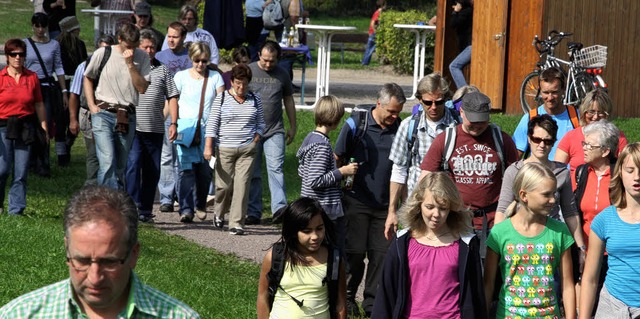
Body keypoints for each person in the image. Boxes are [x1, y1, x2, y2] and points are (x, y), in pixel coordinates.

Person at [0, 185, 201, 318]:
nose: (95, 278)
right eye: (82, 261)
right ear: (67, 248)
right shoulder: (21, 314)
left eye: (109, 262)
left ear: (134, 254)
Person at [334, 83, 405, 317]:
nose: (395, 117)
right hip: (356, 201)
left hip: (386, 206)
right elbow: (337, 156)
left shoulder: (401, 128)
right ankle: (347, 298)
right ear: (379, 104)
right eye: (391, 112)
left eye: (398, 112)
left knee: (380, 256)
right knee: (354, 253)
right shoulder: (356, 124)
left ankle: (373, 303)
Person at [419, 91, 519, 258]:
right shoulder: (446, 139)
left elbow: (517, 179)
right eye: (473, 121)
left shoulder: (502, 140)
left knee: (488, 275)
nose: (477, 125)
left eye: (482, 121)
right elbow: (425, 179)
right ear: (462, 113)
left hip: (494, 222)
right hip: (455, 220)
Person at [373, 172, 486, 319]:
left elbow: (476, 298)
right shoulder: (402, 242)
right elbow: (385, 295)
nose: (436, 214)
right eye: (430, 206)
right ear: (419, 204)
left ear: (452, 208)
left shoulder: (466, 244)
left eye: (443, 208)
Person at [484, 162, 576, 319]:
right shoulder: (499, 233)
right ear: (523, 195)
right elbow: (488, 284)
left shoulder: (560, 231)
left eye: (554, 194)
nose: (553, 200)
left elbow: (567, 286)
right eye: (546, 194)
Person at [495, 114, 586, 251]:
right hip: (519, 239)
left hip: (551, 238)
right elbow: (502, 210)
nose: (542, 145)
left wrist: (581, 248)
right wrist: (497, 245)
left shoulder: (562, 172)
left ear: (554, 142)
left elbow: (570, 212)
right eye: (537, 139)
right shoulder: (513, 171)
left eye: (547, 141)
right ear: (529, 139)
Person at [386, 73, 459, 240]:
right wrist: (392, 211)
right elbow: (399, 170)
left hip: (449, 208)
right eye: (428, 102)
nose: (433, 107)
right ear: (419, 100)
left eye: (439, 102)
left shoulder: (457, 126)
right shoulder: (409, 126)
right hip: (417, 207)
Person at [83, 23, 151, 190]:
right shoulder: (103, 53)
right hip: (103, 112)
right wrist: (92, 106)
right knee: (107, 160)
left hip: (126, 115)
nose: (132, 50)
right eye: (129, 46)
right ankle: (106, 204)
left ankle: (116, 206)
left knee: (120, 166)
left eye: (135, 46)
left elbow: (142, 88)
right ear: (119, 39)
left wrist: (130, 65)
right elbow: (88, 77)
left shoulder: (142, 57)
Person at [256, 197, 347, 319]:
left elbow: (340, 303)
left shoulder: (334, 259)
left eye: (319, 228)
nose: (315, 236)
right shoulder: (275, 257)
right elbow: (263, 296)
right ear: (293, 231)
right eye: (306, 231)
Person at [579, 143, 640, 318]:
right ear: (620, 172)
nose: (637, 177)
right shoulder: (604, 220)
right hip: (613, 306)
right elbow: (590, 278)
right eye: (630, 170)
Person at [124, 29, 179, 223]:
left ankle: (146, 209)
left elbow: (173, 96)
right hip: (134, 128)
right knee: (132, 165)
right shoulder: (131, 67)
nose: (149, 50)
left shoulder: (162, 69)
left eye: (152, 47)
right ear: (138, 47)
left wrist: (173, 122)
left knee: (152, 170)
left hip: (155, 128)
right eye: (145, 46)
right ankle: (131, 206)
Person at [203, 63, 264, 234]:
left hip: (247, 149)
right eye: (238, 82)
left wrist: (258, 134)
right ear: (231, 81)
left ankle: (236, 223)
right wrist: (208, 147)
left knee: (242, 185)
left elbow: (261, 122)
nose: (241, 87)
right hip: (225, 149)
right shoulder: (222, 98)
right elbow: (212, 124)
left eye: (244, 83)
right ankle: (219, 212)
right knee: (223, 186)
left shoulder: (255, 99)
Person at [296, 95, 358, 249]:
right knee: (333, 249)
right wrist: (342, 172)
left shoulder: (310, 138)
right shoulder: (322, 146)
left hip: (311, 205)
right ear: (335, 118)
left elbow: (303, 171)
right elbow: (315, 180)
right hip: (324, 209)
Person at [172, 42, 224, 223]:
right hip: (185, 129)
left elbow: (221, 103)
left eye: (204, 61)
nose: (201, 65)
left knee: (204, 172)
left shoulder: (215, 77)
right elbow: (172, 101)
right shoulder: (180, 77)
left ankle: (200, 203)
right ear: (190, 58)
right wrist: (169, 124)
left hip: (207, 130)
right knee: (185, 171)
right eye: (197, 61)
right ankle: (186, 209)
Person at [572, 120, 621, 314]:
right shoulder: (583, 172)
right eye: (584, 143)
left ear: (605, 151)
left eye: (589, 145)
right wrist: (579, 246)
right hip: (586, 249)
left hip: (612, 253)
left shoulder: (620, 175)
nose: (583, 148)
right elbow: (576, 210)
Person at [246, 40, 297, 225]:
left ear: (278, 58)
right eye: (265, 60)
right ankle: (253, 211)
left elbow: (289, 100)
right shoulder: (249, 71)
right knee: (253, 172)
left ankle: (279, 209)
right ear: (259, 54)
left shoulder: (282, 74)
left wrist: (293, 125)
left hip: (274, 129)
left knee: (276, 168)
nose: (268, 64)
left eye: (272, 61)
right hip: (252, 131)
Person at [0, 39, 48, 215]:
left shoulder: (31, 77)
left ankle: (16, 209)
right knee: (2, 169)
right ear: (7, 57)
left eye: (21, 54)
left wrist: (44, 127)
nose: (18, 57)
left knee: (21, 171)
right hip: (4, 126)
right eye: (14, 54)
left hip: (25, 126)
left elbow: (39, 104)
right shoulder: (1, 77)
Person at [24, 12, 69, 176]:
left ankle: (43, 163)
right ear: (33, 26)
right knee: (28, 124)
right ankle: (29, 162)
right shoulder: (25, 44)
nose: (40, 30)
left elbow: (59, 67)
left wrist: (64, 91)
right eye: (37, 26)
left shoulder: (54, 45)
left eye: (43, 26)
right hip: (28, 86)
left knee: (45, 125)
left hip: (46, 87)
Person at [68, 35, 117, 186]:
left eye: (107, 50)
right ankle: (91, 185)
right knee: (93, 152)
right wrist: (73, 119)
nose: (104, 53)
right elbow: (74, 94)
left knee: (111, 152)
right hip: (88, 112)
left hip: (111, 113)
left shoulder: (116, 67)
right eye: (101, 49)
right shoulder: (83, 66)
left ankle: (110, 185)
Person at [554, 89, 628, 187]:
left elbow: (625, 168)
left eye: (601, 112)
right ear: (584, 112)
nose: (596, 117)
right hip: (575, 194)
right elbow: (557, 171)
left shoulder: (618, 138)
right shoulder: (571, 137)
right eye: (591, 112)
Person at [156, 21, 192, 213]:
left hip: (186, 115)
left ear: (183, 38)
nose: (170, 39)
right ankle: (166, 196)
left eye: (175, 36)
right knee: (166, 156)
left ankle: (182, 194)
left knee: (183, 157)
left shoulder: (191, 58)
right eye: (168, 36)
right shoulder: (159, 57)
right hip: (164, 112)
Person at [512, 67, 580, 159]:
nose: (550, 97)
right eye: (546, 92)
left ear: (563, 89)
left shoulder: (576, 116)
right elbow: (514, 156)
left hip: (567, 173)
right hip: (538, 172)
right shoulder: (530, 118)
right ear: (540, 91)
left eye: (554, 92)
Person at [55, 16, 88, 166]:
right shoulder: (79, 45)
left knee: (60, 121)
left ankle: (61, 152)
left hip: (59, 84)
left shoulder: (56, 44)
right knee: (74, 118)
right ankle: (68, 144)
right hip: (76, 84)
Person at [449, 0, 473, 89]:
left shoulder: (466, 12)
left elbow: (453, 24)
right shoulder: (469, 11)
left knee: (454, 66)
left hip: (470, 46)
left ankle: (465, 92)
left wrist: (455, 12)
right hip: (468, 45)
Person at [362, 0, 385, 66]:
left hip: (373, 33)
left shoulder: (378, 13)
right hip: (374, 33)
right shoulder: (378, 13)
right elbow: (372, 23)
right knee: (369, 49)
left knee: (370, 48)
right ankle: (365, 63)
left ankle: (365, 63)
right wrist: (375, 32)